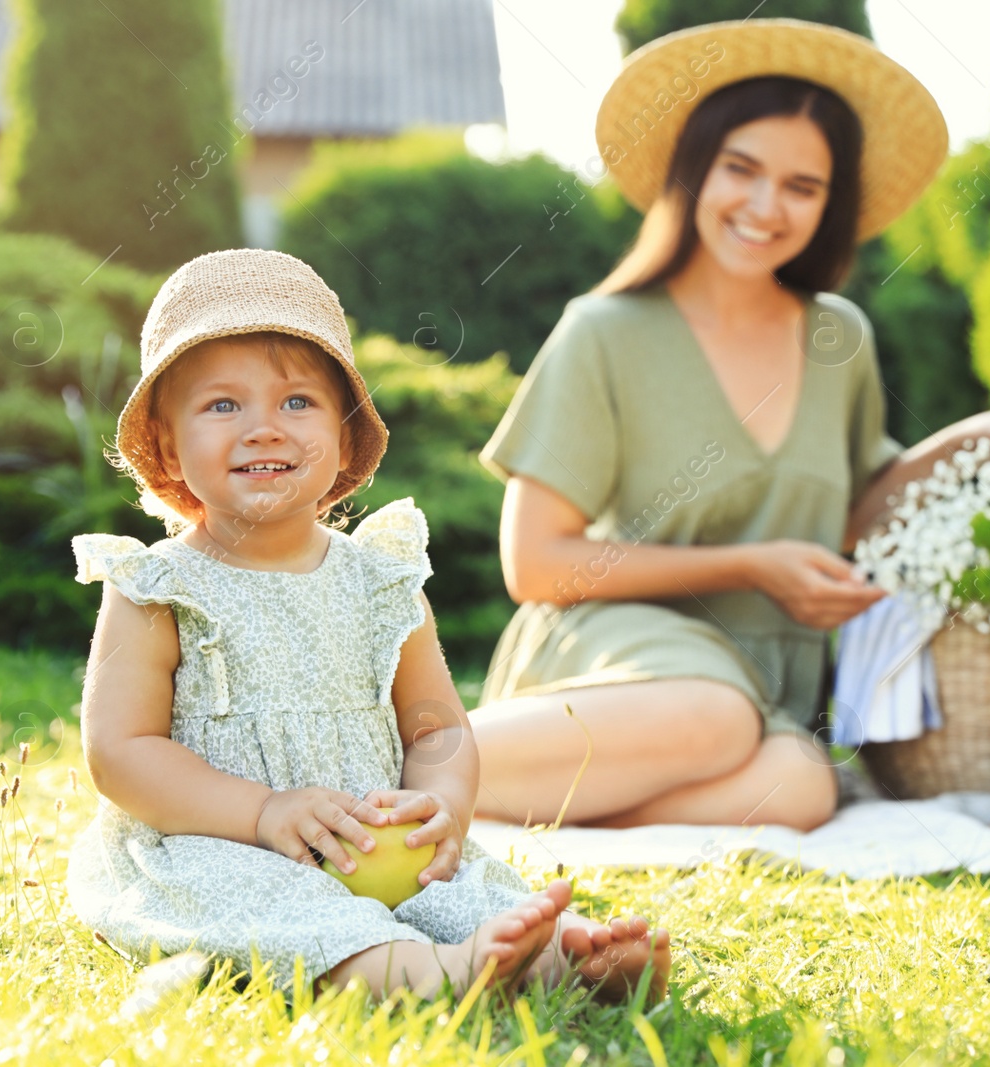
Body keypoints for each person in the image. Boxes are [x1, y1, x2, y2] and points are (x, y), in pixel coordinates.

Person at [469, 20, 990, 832]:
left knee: (803, 784)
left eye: (803, 186)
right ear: (695, 171)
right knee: (719, 717)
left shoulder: (839, 338)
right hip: (617, 651)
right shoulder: (604, 333)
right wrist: (753, 565)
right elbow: (537, 563)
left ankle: (532, 797)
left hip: (767, 678)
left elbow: (853, 520)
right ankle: (410, 766)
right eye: (742, 169)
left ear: (831, 205)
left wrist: (976, 439)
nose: (766, 207)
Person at [64, 248, 671, 1006]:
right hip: (217, 844)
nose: (263, 430)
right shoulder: (158, 586)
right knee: (300, 917)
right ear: (167, 446)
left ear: (347, 437)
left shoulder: (381, 578)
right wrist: (261, 813)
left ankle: (563, 956)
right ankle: (440, 975)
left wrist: (441, 807)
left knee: (459, 891)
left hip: (377, 843)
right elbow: (121, 750)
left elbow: (436, 728)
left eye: (297, 403)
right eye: (223, 405)